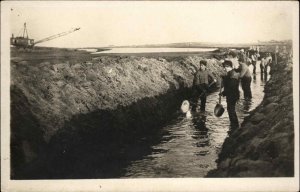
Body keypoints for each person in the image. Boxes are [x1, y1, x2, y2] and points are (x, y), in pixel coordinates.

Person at [220, 60, 240, 130]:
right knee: (230, 110)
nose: (224, 68)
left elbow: (231, 87)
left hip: (232, 95)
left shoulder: (233, 74)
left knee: (231, 110)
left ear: (228, 67)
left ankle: (235, 126)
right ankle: (234, 126)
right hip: (231, 95)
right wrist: (224, 78)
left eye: (225, 67)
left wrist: (223, 93)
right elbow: (228, 83)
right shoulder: (230, 73)